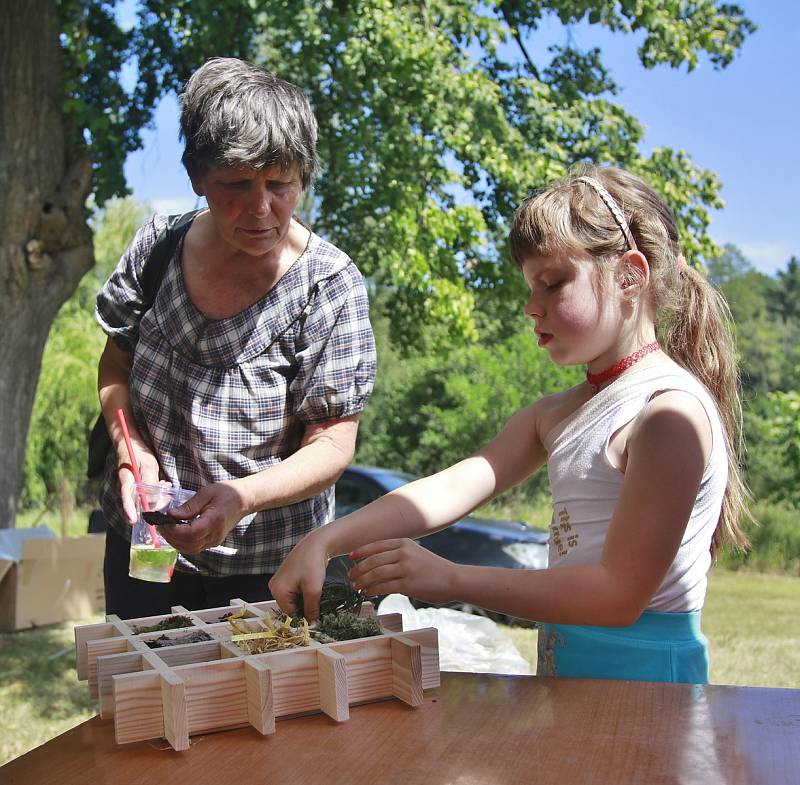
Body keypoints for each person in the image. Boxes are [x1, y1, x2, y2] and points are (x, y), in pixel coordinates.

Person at [269, 165, 750, 684]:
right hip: (574, 669)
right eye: (530, 287)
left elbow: (618, 597)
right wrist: (324, 541)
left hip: (651, 684)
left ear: (629, 275)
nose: (531, 307)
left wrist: (452, 577)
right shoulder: (559, 413)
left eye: (553, 284)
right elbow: (454, 486)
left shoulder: (667, 412)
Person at [95, 57, 377, 618]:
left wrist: (241, 499)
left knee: (256, 704)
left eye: (280, 184)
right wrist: (136, 459)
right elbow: (114, 372)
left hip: (267, 569)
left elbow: (332, 444)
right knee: (142, 697)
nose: (261, 207)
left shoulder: (329, 286)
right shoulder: (157, 250)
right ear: (198, 178)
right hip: (149, 548)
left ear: (304, 178)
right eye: (236, 184)